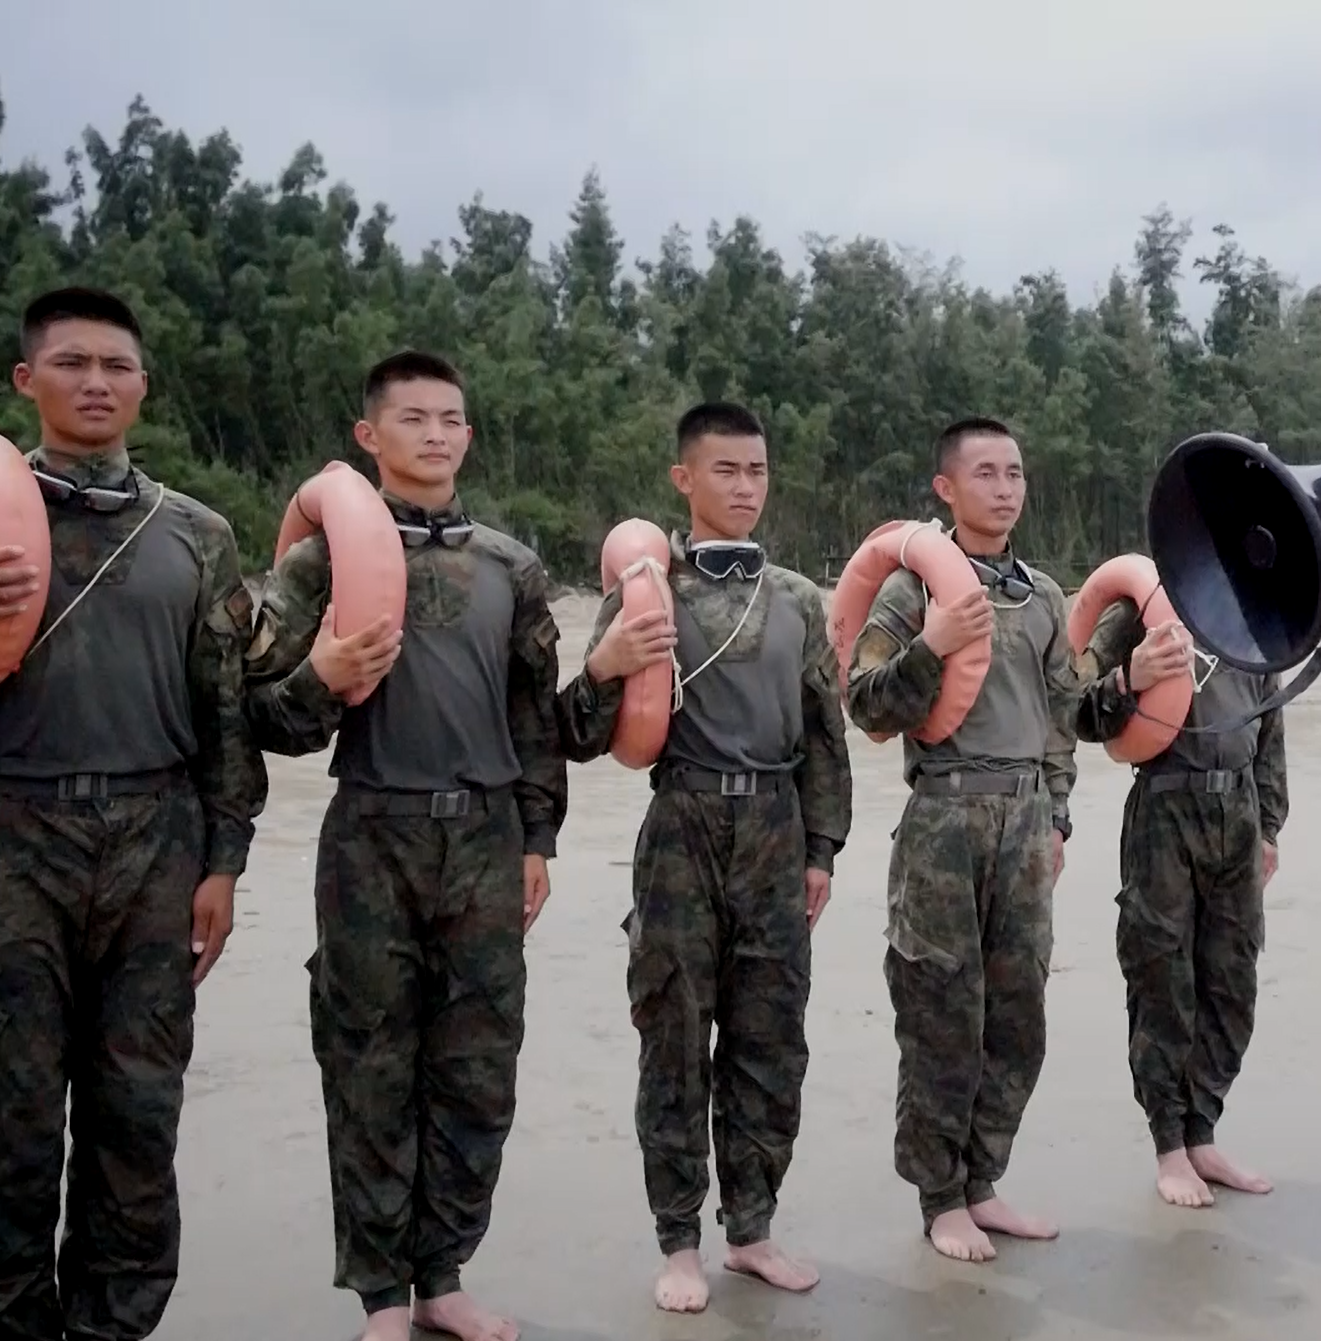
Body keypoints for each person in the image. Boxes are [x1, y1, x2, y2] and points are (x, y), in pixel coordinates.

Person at [0, 286, 266, 1340]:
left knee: (137, 1125)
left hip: (157, 845)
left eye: (116, 367)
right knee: (4, 1129)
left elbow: (224, 714)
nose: (96, 383)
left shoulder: (197, 535)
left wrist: (224, 860)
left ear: (142, 386)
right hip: (8, 845)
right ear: (26, 380)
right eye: (72, 363)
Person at [243, 349, 566, 1341]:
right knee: (369, 1065)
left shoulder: (510, 565)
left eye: (451, 419)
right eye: (413, 418)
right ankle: (382, 1296)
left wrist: (535, 837)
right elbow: (262, 717)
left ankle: (445, 1276)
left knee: (477, 1066)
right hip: (371, 835)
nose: (435, 434)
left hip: (483, 835)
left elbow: (534, 722)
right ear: (367, 435)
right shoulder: (319, 561)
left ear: (468, 434)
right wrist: (323, 677)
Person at [556, 401, 854, 1314]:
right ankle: (679, 1241)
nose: (745, 488)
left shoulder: (800, 598)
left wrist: (823, 849)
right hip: (682, 825)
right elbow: (574, 731)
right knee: (675, 1040)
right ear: (684, 479)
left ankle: (753, 1229)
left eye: (758, 471)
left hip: (774, 830)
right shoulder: (649, 591)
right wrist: (604, 664)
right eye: (725, 471)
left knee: (772, 1042)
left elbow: (823, 737)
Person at [844, 416, 1081, 1263]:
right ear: (945, 487)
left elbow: (1061, 717)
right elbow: (867, 703)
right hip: (944, 816)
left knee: (1019, 1015)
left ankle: (985, 1180)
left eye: (1015, 472)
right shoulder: (914, 589)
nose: (1005, 487)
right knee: (941, 1010)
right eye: (985, 473)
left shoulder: (1044, 595)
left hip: (1023, 823)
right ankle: (939, 1196)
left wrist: (1057, 814)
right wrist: (932, 647)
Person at [1073, 602, 1288, 1207]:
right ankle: (1169, 1144)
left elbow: (1270, 726)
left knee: (1232, 981)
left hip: (1238, 812)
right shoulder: (1139, 609)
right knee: (1161, 977)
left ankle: (1202, 1133)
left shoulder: (1251, 611)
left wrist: (1269, 826)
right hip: (1165, 808)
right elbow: (1075, 708)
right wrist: (1127, 679)